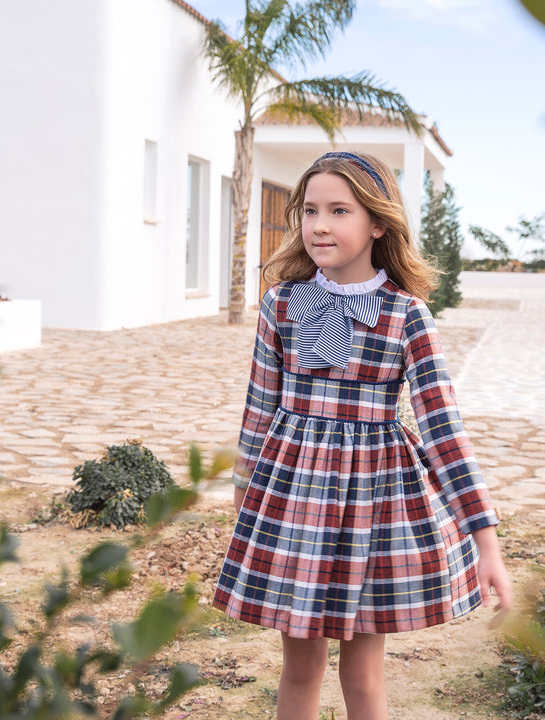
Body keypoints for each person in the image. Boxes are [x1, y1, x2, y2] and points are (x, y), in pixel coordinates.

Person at [213, 151, 512, 720]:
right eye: (309, 210)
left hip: (374, 505)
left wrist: (485, 537)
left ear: (377, 222)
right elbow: (260, 404)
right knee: (299, 667)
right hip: (294, 501)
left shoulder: (406, 314)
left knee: (363, 671)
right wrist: (243, 484)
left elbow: (443, 429)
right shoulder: (285, 301)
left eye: (339, 210)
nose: (319, 225)